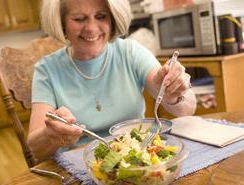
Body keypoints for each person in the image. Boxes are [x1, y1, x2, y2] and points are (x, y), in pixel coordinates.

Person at [27, 0, 197, 160]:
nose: (91, 28)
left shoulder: (131, 52)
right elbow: (36, 149)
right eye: (79, 19)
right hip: (78, 165)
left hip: (137, 158)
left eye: (101, 16)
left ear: (113, 18)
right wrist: (52, 135)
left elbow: (186, 109)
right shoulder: (46, 70)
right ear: (61, 23)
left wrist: (173, 92)